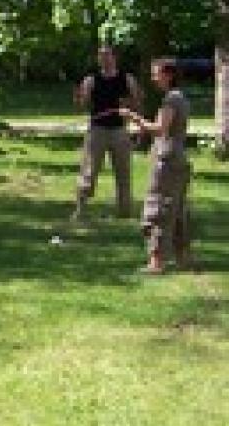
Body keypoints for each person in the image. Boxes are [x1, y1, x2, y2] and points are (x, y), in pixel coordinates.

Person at [120, 58, 194, 274]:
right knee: (177, 210)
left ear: (168, 75)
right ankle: (183, 258)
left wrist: (134, 118)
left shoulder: (171, 99)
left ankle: (156, 262)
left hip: (168, 161)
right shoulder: (180, 97)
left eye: (156, 74)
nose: (153, 78)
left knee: (158, 208)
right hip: (178, 159)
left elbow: (160, 129)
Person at [73, 45, 143, 220]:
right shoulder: (91, 80)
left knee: (123, 172)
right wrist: (79, 96)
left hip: (119, 130)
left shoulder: (127, 79)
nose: (104, 59)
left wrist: (130, 109)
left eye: (107, 55)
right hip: (97, 130)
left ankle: (124, 211)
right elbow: (82, 104)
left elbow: (138, 101)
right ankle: (81, 209)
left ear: (115, 57)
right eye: (100, 55)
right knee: (89, 170)